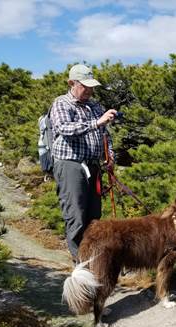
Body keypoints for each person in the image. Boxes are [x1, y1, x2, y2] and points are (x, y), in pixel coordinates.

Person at [50, 64, 118, 263]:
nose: (89, 90)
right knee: (76, 215)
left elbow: (105, 134)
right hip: (70, 164)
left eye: (91, 87)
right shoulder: (61, 103)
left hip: (93, 165)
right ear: (72, 83)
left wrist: (110, 155)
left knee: (94, 217)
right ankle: (80, 264)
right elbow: (65, 128)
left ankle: (93, 258)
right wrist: (96, 122)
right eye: (85, 86)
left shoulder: (94, 106)